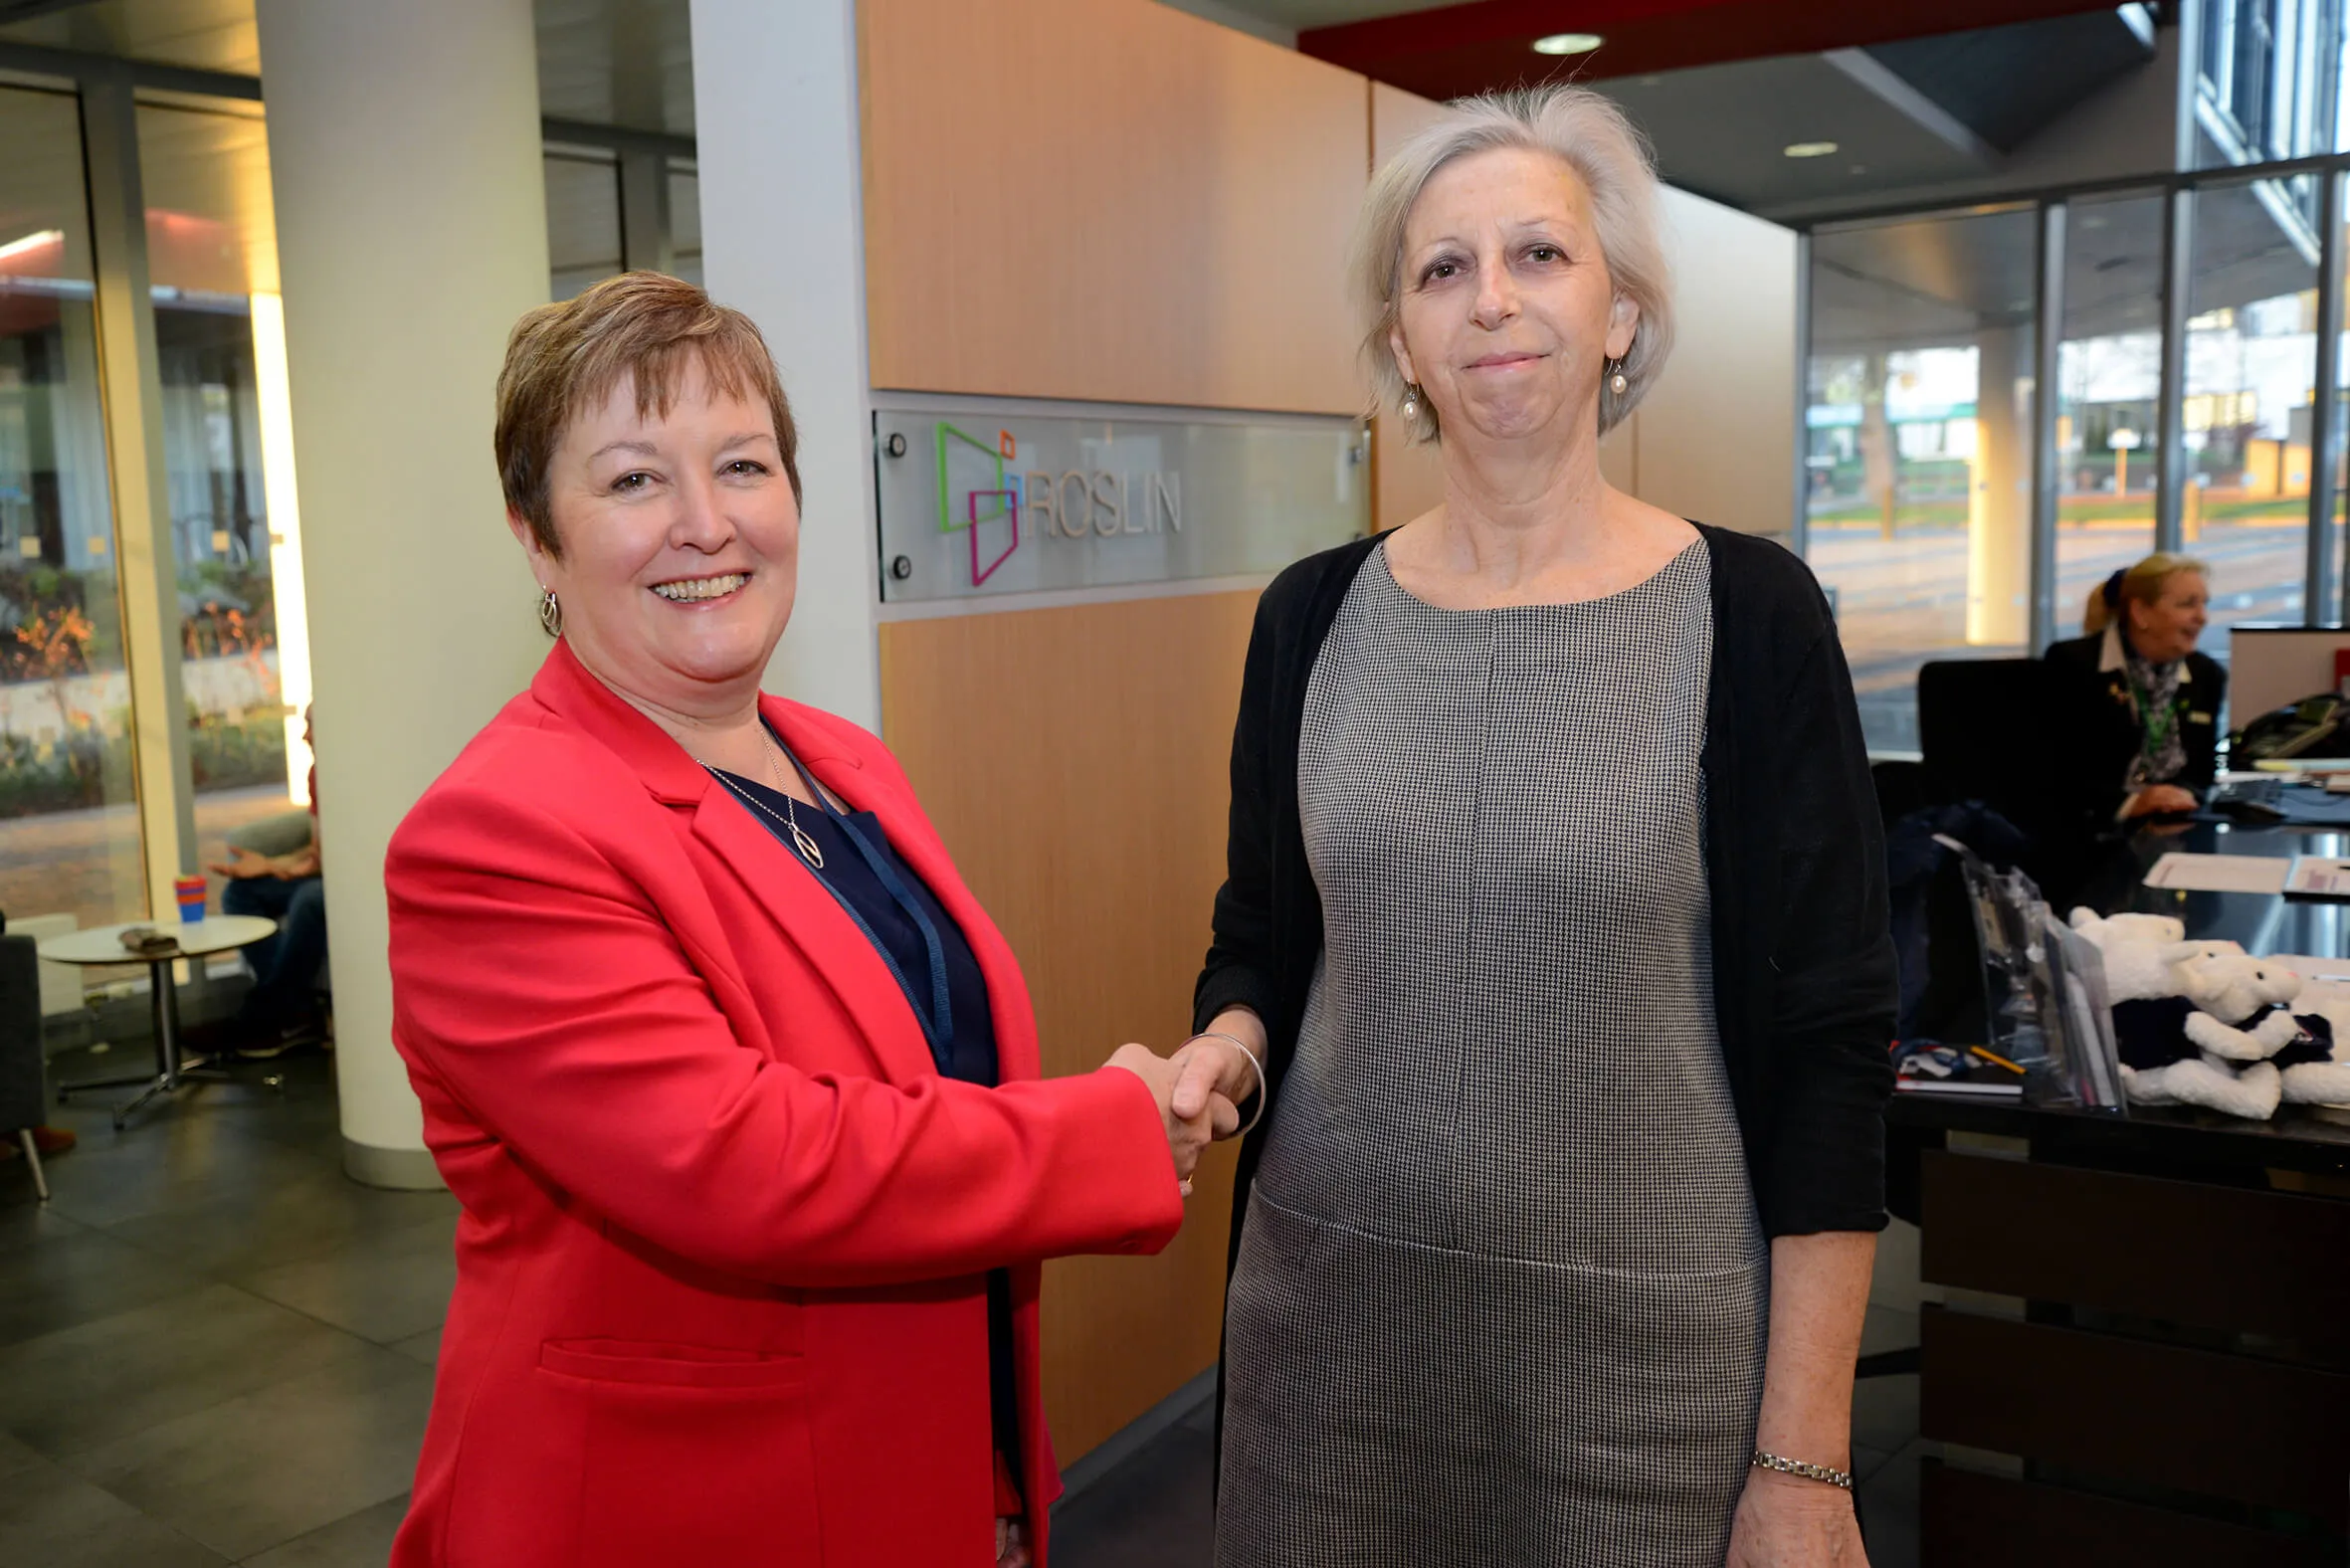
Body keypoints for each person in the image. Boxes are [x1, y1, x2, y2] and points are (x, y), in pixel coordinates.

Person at [383, 273, 1228, 1568]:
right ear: (535, 537)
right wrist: (1099, 1135)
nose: (704, 523)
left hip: (929, 1471)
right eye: (630, 482)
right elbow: (742, 1159)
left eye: (741, 464)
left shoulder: (834, 760)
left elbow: (909, 1073)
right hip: (687, 1512)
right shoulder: (498, 834)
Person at [1164, 87, 1895, 1566]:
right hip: (1329, 1353)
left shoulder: (1748, 619)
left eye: (1539, 258)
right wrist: (1223, 1056)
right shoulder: (1310, 618)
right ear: (1400, 345)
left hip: (1642, 1382)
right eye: (1441, 270)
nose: (1490, 301)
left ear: (1619, 313)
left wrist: (1804, 1461)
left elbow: (1833, 1044)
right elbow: (1259, 945)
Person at [2044, 552, 2221, 823]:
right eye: (2187, 605)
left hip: (2174, 823)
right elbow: (2056, 772)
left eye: (2204, 604)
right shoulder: (2073, 665)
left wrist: (2175, 798)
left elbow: (2201, 773)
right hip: (2090, 833)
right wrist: (2132, 804)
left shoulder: (2205, 674)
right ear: (2140, 613)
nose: (2202, 617)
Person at [208, 706, 328, 1055]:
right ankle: (298, 1011)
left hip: (351, 879)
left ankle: (260, 1015)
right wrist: (272, 865)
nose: (304, 737)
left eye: (311, 726)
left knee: (308, 899)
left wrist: (306, 869)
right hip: (323, 873)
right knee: (240, 894)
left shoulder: (357, 775)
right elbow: (317, 850)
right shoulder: (316, 775)